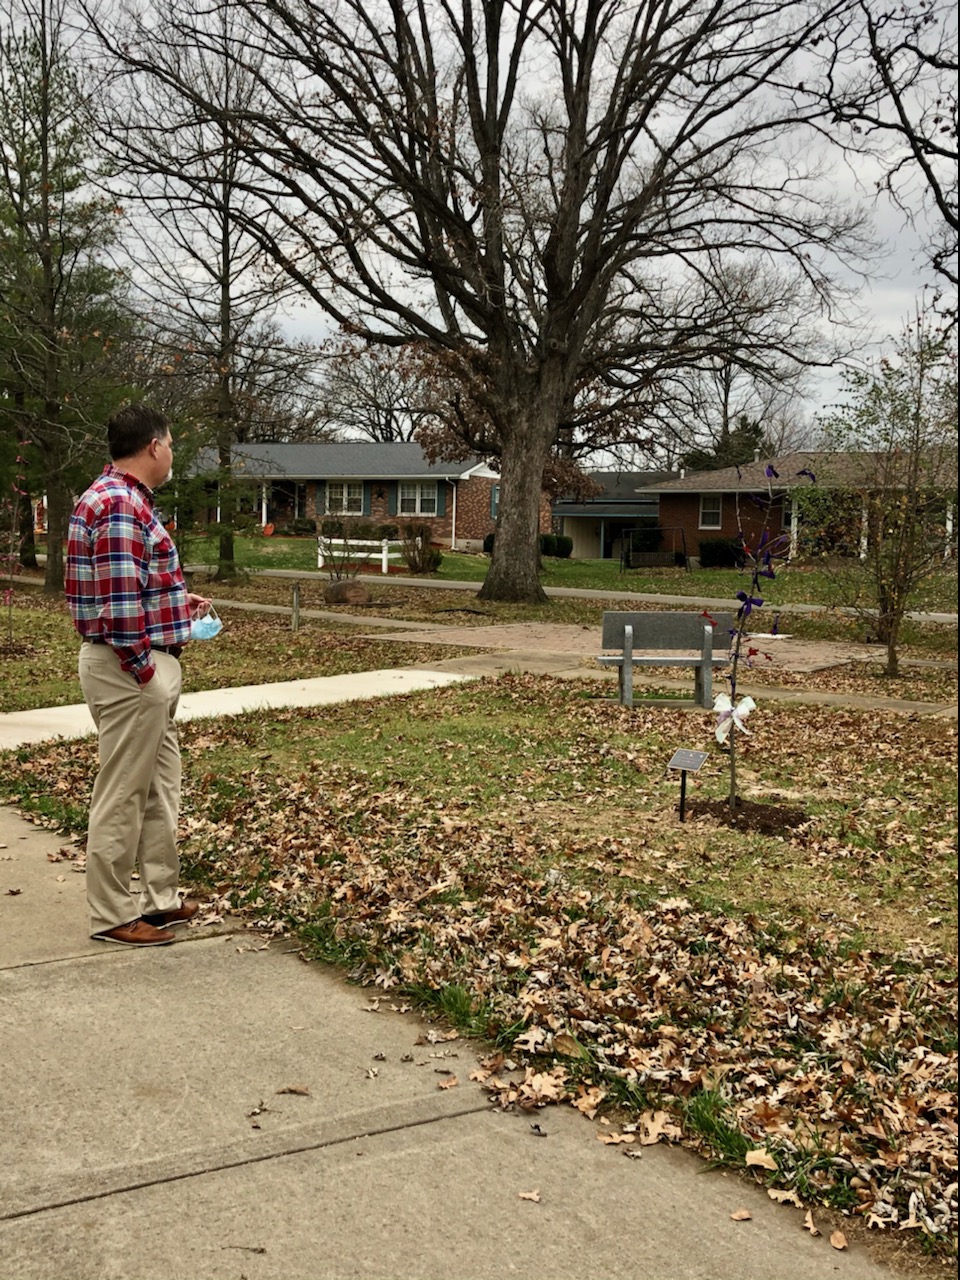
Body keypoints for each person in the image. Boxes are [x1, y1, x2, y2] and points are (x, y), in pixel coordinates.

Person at [65, 404, 211, 947]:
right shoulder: (121, 504)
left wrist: (175, 600)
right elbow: (120, 606)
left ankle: (159, 899)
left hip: (136, 665)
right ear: (154, 447)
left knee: (157, 788)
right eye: (170, 443)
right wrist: (145, 671)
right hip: (130, 669)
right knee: (124, 791)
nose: (171, 453)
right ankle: (110, 914)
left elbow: (128, 587)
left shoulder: (119, 501)